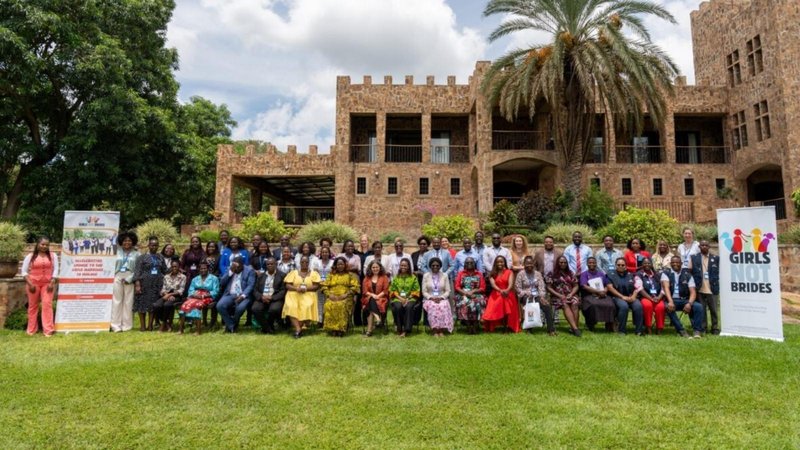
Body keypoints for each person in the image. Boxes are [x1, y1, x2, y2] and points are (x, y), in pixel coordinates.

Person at [21, 236, 59, 337]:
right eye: (42, 244)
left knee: (47, 305)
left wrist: (52, 281)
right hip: (33, 283)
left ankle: (48, 330)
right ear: (38, 244)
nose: (44, 246)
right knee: (33, 306)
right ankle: (31, 329)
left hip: (48, 284)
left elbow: (55, 270)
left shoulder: (53, 255)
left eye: (47, 245)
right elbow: (24, 271)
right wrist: (30, 284)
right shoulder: (30, 256)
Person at [661, 255, 704, 338]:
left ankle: (697, 331)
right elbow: (666, 288)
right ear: (670, 264)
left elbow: (693, 292)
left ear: (681, 263)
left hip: (685, 300)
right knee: (668, 307)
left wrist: (689, 303)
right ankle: (681, 330)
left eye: (677, 262)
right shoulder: (666, 273)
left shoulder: (687, 274)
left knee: (698, 306)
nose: (675, 264)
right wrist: (670, 301)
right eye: (673, 262)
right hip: (672, 299)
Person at [282, 255, 322, 338]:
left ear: (309, 263)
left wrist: (306, 288)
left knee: (306, 306)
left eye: (306, 262)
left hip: (308, 294)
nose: (304, 263)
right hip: (293, 294)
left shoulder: (314, 273)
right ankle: (298, 329)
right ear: (300, 263)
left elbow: (316, 286)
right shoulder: (293, 272)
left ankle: (298, 328)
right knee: (291, 306)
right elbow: (287, 285)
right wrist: (296, 288)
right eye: (302, 262)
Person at [216, 256, 256, 333]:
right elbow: (222, 282)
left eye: (238, 267)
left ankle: (230, 326)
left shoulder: (250, 271)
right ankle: (232, 325)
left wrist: (242, 296)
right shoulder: (231, 269)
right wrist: (230, 272)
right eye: (234, 267)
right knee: (220, 306)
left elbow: (250, 285)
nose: (236, 269)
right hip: (230, 294)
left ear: (242, 265)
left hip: (244, 295)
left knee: (240, 308)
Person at [321, 257, 360, 337]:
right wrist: (329, 295)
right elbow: (324, 286)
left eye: (342, 264)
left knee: (341, 305)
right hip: (332, 296)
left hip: (346, 296)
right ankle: (333, 329)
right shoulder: (331, 275)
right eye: (338, 264)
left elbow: (355, 287)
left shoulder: (350, 275)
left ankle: (341, 329)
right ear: (335, 265)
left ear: (345, 265)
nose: (340, 266)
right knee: (329, 305)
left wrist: (346, 294)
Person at [514, 255, 553, 335]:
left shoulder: (538, 274)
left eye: (531, 263)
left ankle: (551, 330)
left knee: (547, 306)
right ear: (524, 264)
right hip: (525, 296)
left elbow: (542, 287)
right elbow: (517, 288)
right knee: (530, 304)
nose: (529, 265)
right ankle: (529, 328)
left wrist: (542, 297)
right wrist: (526, 293)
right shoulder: (520, 274)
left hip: (537, 295)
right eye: (527, 264)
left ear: (533, 264)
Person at [134, 237, 166, 331]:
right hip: (144, 284)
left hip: (157, 284)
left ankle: (150, 325)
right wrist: (137, 284)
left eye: (156, 245)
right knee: (142, 304)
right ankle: (143, 326)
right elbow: (137, 271)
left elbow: (164, 269)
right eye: (152, 245)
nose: (154, 247)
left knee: (153, 305)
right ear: (148, 245)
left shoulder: (160, 257)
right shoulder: (142, 257)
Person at [179, 261, 219, 335]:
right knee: (184, 304)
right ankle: (181, 329)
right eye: (201, 268)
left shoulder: (214, 278)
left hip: (207, 297)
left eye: (205, 268)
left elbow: (216, 291)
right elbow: (191, 290)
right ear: (199, 269)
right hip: (195, 296)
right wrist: (194, 295)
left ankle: (198, 330)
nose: (203, 270)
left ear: (208, 269)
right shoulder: (195, 279)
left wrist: (204, 296)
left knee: (197, 305)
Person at [689, 240, 720, 335]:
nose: (704, 246)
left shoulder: (716, 258)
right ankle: (703, 327)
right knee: (702, 310)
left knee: (714, 310)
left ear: (709, 246)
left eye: (706, 245)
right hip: (700, 288)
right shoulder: (694, 258)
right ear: (699, 247)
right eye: (702, 245)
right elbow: (689, 270)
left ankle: (714, 328)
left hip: (712, 288)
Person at [546, 255, 582, 337]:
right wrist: (559, 295)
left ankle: (573, 328)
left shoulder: (570, 273)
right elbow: (548, 287)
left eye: (565, 262)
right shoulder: (551, 274)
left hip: (570, 294)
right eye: (561, 262)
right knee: (565, 304)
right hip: (557, 296)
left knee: (575, 303)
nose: (563, 264)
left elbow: (576, 285)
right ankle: (575, 329)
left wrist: (571, 294)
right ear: (558, 263)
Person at [606, 257, 644, 335]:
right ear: (615, 265)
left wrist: (633, 296)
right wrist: (622, 297)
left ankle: (639, 330)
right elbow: (610, 287)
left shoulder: (631, 275)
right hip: (617, 297)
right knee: (624, 306)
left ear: (626, 266)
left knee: (638, 306)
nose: (621, 266)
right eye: (618, 265)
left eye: (623, 265)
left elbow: (637, 287)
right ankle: (622, 330)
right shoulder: (610, 274)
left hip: (630, 296)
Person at [483, 256, 520, 333]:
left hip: (508, 292)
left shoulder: (509, 272)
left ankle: (506, 326)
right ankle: (502, 325)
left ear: (504, 263)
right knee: (500, 300)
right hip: (496, 292)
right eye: (498, 262)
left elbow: (510, 283)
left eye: (501, 262)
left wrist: (507, 290)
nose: (500, 263)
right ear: (495, 263)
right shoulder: (492, 273)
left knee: (505, 300)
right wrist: (500, 290)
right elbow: (493, 285)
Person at [111, 232, 139, 332]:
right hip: (117, 276)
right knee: (116, 301)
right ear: (121, 242)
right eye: (125, 240)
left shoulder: (136, 253)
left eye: (129, 241)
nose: (127, 242)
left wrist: (130, 278)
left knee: (128, 302)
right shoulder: (116, 252)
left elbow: (138, 269)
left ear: (133, 242)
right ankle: (115, 326)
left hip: (130, 277)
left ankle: (127, 326)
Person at [579, 256, 615, 332]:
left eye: (594, 262)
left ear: (596, 264)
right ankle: (590, 324)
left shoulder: (601, 274)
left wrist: (604, 291)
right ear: (587, 264)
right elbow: (584, 286)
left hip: (602, 294)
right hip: (589, 295)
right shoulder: (584, 274)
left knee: (610, 304)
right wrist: (598, 292)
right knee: (593, 305)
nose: (592, 264)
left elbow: (607, 284)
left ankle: (609, 324)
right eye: (590, 263)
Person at [251, 257, 287, 334]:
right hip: (262, 298)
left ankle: (267, 327)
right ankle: (268, 328)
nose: (270, 265)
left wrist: (271, 297)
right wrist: (261, 297)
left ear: (276, 264)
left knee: (274, 310)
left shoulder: (282, 275)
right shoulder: (261, 276)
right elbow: (255, 289)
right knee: (255, 308)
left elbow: (283, 290)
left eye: (272, 264)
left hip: (275, 298)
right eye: (268, 264)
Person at [421, 257, 453, 337]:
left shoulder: (444, 275)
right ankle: (435, 330)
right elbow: (424, 291)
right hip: (430, 298)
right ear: (430, 266)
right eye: (433, 265)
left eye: (437, 265)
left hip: (442, 297)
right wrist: (431, 298)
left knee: (443, 305)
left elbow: (448, 290)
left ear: (440, 266)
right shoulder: (426, 276)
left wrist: (441, 297)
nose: (435, 267)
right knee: (433, 306)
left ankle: (441, 330)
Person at [454, 257, 486, 334]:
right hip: (463, 294)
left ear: (474, 264)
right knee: (465, 302)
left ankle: (475, 326)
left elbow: (482, 287)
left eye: (471, 263)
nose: (469, 264)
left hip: (476, 294)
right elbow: (457, 287)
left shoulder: (479, 274)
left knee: (478, 301)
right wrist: (466, 293)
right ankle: (468, 326)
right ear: (464, 264)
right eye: (467, 263)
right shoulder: (461, 273)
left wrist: (473, 291)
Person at [388, 258, 420, 337]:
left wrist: (407, 299)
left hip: (410, 298)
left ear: (408, 266)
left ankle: (406, 330)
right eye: (402, 265)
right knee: (398, 307)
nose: (403, 267)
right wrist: (400, 298)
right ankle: (399, 328)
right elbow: (392, 289)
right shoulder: (396, 277)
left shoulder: (413, 277)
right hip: (398, 298)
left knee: (409, 307)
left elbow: (416, 290)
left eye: (405, 265)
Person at [154, 260, 186, 332]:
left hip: (177, 296)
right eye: (173, 266)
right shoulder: (166, 276)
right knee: (156, 306)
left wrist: (171, 294)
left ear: (179, 267)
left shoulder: (183, 277)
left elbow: (181, 290)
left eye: (176, 266)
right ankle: (167, 323)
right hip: (166, 295)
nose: (174, 268)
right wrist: (166, 295)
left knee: (167, 305)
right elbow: (163, 289)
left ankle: (163, 325)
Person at [636, 257, 665, 334]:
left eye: (648, 263)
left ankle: (659, 328)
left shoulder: (658, 275)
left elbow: (663, 288)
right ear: (642, 265)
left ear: (651, 264)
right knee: (647, 305)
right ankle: (648, 327)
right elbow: (640, 289)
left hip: (657, 297)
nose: (647, 265)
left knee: (660, 307)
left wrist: (658, 297)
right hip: (645, 297)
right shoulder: (638, 274)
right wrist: (650, 298)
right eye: (645, 263)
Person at [361, 260, 390, 337]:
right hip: (368, 298)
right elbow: (364, 291)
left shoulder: (384, 277)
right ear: (370, 268)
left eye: (377, 267)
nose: (375, 269)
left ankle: (369, 331)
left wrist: (378, 296)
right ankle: (378, 318)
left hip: (381, 299)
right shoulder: (367, 278)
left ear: (380, 268)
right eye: (373, 267)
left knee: (369, 306)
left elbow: (386, 290)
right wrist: (373, 295)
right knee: (370, 300)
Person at [312, 246, 335, 325]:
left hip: (329, 285)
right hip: (319, 285)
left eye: (326, 252)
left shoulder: (333, 262)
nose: (325, 254)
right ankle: (320, 320)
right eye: (323, 252)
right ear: (320, 253)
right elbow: (315, 273)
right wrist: (319, 281)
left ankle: (328, 319)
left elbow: (334, 273)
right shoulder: (317, 262)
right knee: (320, 302)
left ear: (329, 253)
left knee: (328, 302)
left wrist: (328, 282)